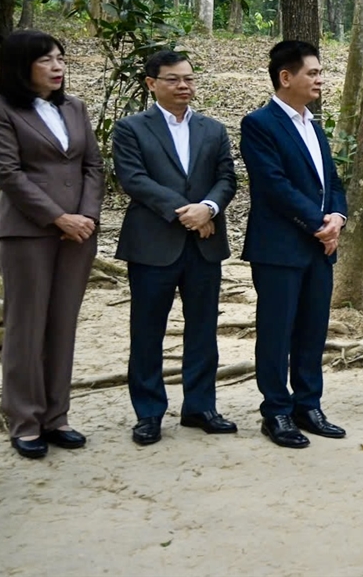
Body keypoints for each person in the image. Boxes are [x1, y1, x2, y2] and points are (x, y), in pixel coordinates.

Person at [0, 30, 104, 459]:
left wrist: (87, 217)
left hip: (79, 234)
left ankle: (57, 417)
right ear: (22, 66)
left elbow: (93, 164)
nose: (58, 67)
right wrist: (58, 217)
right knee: (26, 326)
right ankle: (24, 419)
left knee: (62, 325)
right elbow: (7, 174)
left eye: (60, 58)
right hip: (28, 232)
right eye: (46, 60)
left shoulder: (74, 107)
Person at [112, 50, 239, 445]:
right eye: (173, 79)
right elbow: (133, 179)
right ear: (152, 84)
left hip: (205, 244)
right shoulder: (131, 128)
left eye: (188, 78)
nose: (184, 85)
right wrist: (185, 212)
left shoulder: (213, 129)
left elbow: (226, 177)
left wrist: (209, 208)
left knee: (203, 329)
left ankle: (200, 406)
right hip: (153, 244)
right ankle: (149, 412)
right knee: (147, 330)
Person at [240, 41, 348, 449]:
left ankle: (309, 404)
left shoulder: (313, 125)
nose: (320, 79)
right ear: (286, 77)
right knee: (276, 330)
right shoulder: (260, 124)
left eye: (321, 73)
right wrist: (317, 222)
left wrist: (337, 216)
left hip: (321, 245)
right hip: (280, 247)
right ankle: (277, 411)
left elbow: (332, 183)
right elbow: (273, 186)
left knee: (312, 329)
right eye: (313, 73)